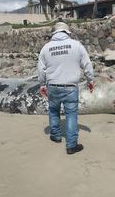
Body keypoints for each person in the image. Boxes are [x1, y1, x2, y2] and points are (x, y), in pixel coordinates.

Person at [38, 22, 94, 154]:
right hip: (70, 87)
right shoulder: (76, 45)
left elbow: (41, 69)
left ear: (54, 33)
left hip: (52, 86)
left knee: (53, 111)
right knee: (71, 115)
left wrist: (42, 84)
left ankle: (56, 136)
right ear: (67, 32)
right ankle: (71, 145)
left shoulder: (46, 48)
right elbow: (87, 64)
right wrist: (90, 80)